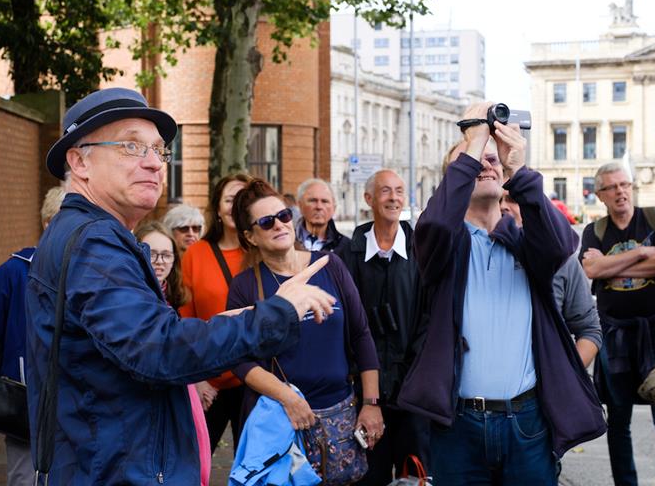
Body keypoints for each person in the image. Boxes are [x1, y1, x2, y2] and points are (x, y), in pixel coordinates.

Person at [26, 88, 336, 483]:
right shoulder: (94, 241)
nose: (155, 163)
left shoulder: (94, 234)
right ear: (79, 161)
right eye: (132, 147)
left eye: (159, 150)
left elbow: (140, 340)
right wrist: (279, 311)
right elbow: (158, 349)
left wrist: (247, 314)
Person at [397, 103, 606, 485]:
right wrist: (474, 141)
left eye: (492, 160)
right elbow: (435, 225)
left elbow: (561, 243)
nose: (484, 165)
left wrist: (519, 170)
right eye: (475, 160)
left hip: (526, 422)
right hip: (457, 425)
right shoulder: (442, 246)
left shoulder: (525, 245)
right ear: (455, 180)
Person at [226, 179, 383, 468]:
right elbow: (240, 360)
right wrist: (288, 398)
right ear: (250, 237)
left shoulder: (329, 265)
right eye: (266, 221)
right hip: (280, 418)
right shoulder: (245, 285)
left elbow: (361, 334)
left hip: (340, 413)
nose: (279, 225)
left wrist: (371, 403)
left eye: (284, 215)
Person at [580, 162, 655, 486]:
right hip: (615, 333)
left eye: (625, 184)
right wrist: (640, 253)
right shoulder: (593, 231)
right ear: (600, 195)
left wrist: (611, 266)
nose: (620, 191)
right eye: (612, 187)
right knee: (618, 417)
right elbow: (591, 271)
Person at [339, 169, 430, 485]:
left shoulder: (423, 252)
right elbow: (344, 329)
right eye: (385, 191)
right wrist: (368, 397)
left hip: (413, 398)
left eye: (399, 191)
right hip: (361, 397)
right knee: (368, 478)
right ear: (369, 199)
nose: (394, 198)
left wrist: (413, 382)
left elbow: (429, 323)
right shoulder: (346, 257)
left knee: (413, 477)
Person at [0, 185, 65, 485]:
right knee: (26, 474)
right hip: (27, 398)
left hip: (76, 399)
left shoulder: (93, 272)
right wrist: (7, 373)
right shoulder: (14, 271)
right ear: (48, 223)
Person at [180, 173, 252, 452]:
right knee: (196, 463)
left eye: (243, 201)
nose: (236, 208)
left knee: (256, 472)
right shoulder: (196, 254)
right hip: (210, 380)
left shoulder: (262, 252)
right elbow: (185, 321)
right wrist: (196, 379)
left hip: (256, 380)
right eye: (231, 200)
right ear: (218, 208)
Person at [135, 220, 210, 486]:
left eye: (166, 254)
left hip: (180, 386)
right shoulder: (132, 296)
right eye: (150, 253)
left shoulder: (170, 296)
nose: (159, 261)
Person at [500, 191, 602, 367]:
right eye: (497, 200)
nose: (502, 206)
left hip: (544, 388)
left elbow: (589, 329)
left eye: (513, 200)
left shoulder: (563, 261)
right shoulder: (472, 256)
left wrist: (567, 376)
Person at [295, 178, 349, 255]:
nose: (319, 207)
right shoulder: (286, 242)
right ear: (300, 205)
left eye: (325, 201)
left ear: (334, 208)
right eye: (312, 200)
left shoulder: (347, 247)